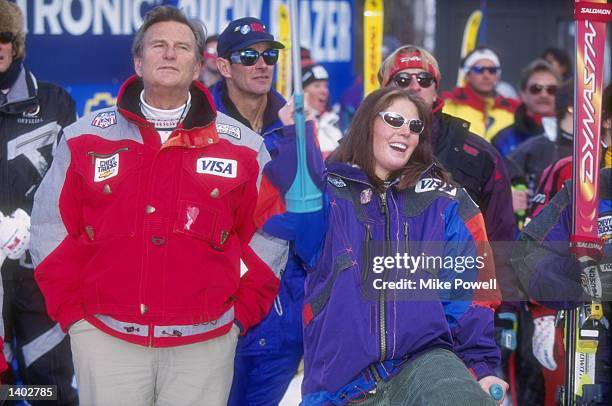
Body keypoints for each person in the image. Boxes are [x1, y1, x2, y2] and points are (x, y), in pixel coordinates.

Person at [30, 6, 287, 405]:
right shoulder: (84, 139)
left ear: (199, 64)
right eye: (159, 45)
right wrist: (75, 317)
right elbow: (50, 229)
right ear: (138, 59)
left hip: (203, 346)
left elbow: (269, 235)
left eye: (182, 47)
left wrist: (240, 316)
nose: (170, 54)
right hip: (107, 340)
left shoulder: (243, 147)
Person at [269, 86, 507, 405]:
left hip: (425, 366)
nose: (405, 132)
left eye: (414, 126)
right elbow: (291, 213)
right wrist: (292, 138)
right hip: (341, 380)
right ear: (368, 123)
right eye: (394, 119)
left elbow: (473, 294)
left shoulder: (445, 202)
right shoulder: (328, 194)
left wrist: (481, 366)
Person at [378, 48, 521, 390]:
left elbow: (500, 239)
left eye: (424, 79)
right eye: (402, 79)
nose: (414, 86)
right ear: (384, 87)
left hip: (455, 324)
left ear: (436, 86)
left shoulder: (477, 153)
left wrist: (507, 313)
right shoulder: (356, 152)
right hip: (380, 326)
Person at [211, 16, 306, 406]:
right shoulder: (197, 121)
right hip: (214, 308)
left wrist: (293, 138)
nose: (261, 64)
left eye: (269, 55)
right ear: (224, 66)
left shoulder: (295, 122)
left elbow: (306, 211)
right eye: (248, 56)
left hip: (281, 312)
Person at [0, 1, 77, 402]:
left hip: (38, 272)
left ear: (17, 45)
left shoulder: (54, 102)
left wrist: (31, 223)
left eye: (4, 37)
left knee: (49, 387)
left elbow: (72, 184)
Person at [443, 46, 519, 141]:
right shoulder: (449, 107)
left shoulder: (513, 109)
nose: (486, 75)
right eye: (479, 70)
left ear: (498, 75)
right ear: (467, 75)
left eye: (492, 70)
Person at [492, 59, 560, 158]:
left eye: (551, 90)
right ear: (523, 94)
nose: (544, 95)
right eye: (536, 89)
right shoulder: (503, 139)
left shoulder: (575, 138)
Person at [302, 62, 342, 158]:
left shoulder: (332, 121)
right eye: (317, 86)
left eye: (325, 86)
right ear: (303, 91)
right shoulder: (292, 123)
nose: (324, 91)